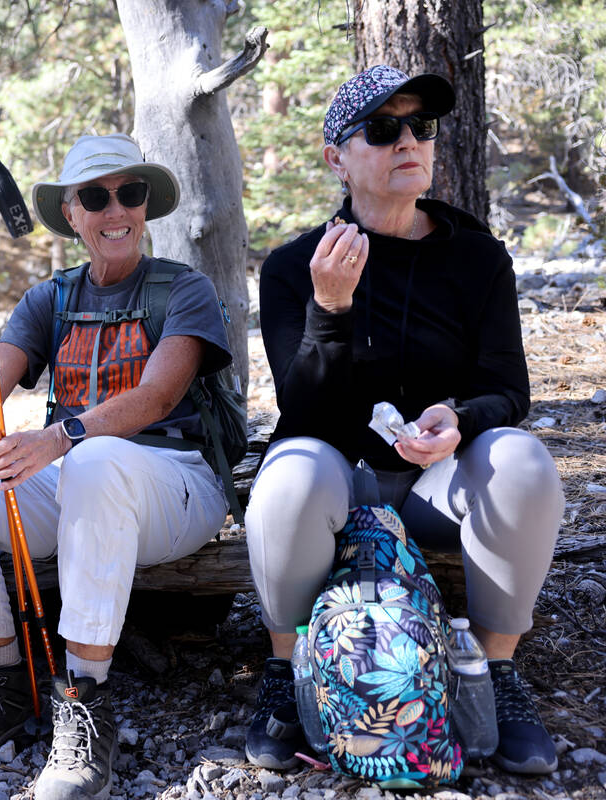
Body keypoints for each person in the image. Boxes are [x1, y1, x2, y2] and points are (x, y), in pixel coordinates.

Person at [245, 65, 563, 775]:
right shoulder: (297, 266)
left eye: (422, 128)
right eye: (384, 129)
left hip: (435, 485)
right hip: (338, 481)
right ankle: (285, 671)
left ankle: (495, 671)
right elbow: (305, 411)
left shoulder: (476, 258)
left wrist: (458, 416)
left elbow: (507, 388)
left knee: (522, 459)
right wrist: (330, 308)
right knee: (288, 474)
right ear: (337, 159)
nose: (408, 142)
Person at [0, 134, 233, 799]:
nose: (116, 210)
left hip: (176, 486)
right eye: (95, 197)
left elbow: (157, 396)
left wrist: (61, 436)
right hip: (83, 480)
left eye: (130, 193)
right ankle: (5, 679)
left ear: (145, 205)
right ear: (73, 216)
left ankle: (84, 695)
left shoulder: (184, 288)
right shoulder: (52, 297)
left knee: (98, 457)